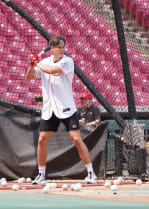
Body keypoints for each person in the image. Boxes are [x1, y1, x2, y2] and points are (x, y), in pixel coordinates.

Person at [26, 36, 98, 185]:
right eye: (58, 47)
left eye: (63, 47)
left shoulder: (68, 61)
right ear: (52, 49)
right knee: (42, 140)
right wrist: (31, 65)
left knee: (76, 139)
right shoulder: (44, 62)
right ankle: (41, 175)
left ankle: (91, 172)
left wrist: (36, 62)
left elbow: (52, 71)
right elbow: (30, 76)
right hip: (49, 108)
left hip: (66, 107)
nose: (62, 49)